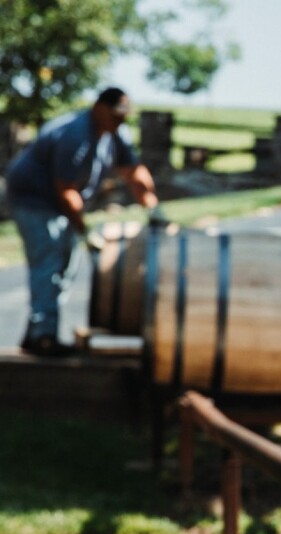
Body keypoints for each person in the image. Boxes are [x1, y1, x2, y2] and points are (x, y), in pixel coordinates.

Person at [5, 86, 163, 356]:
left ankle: (36, 333)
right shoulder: (74, 135)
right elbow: (65, 190)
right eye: (116, 115)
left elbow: (133, 171)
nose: (121, 121)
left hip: (60, 202)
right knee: (49, 261)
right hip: (35, 200)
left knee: (66, 265)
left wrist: (154, 209)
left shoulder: (115, 134)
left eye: (124, 116)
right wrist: (83, 228)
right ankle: (43, 336)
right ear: (100, 108)